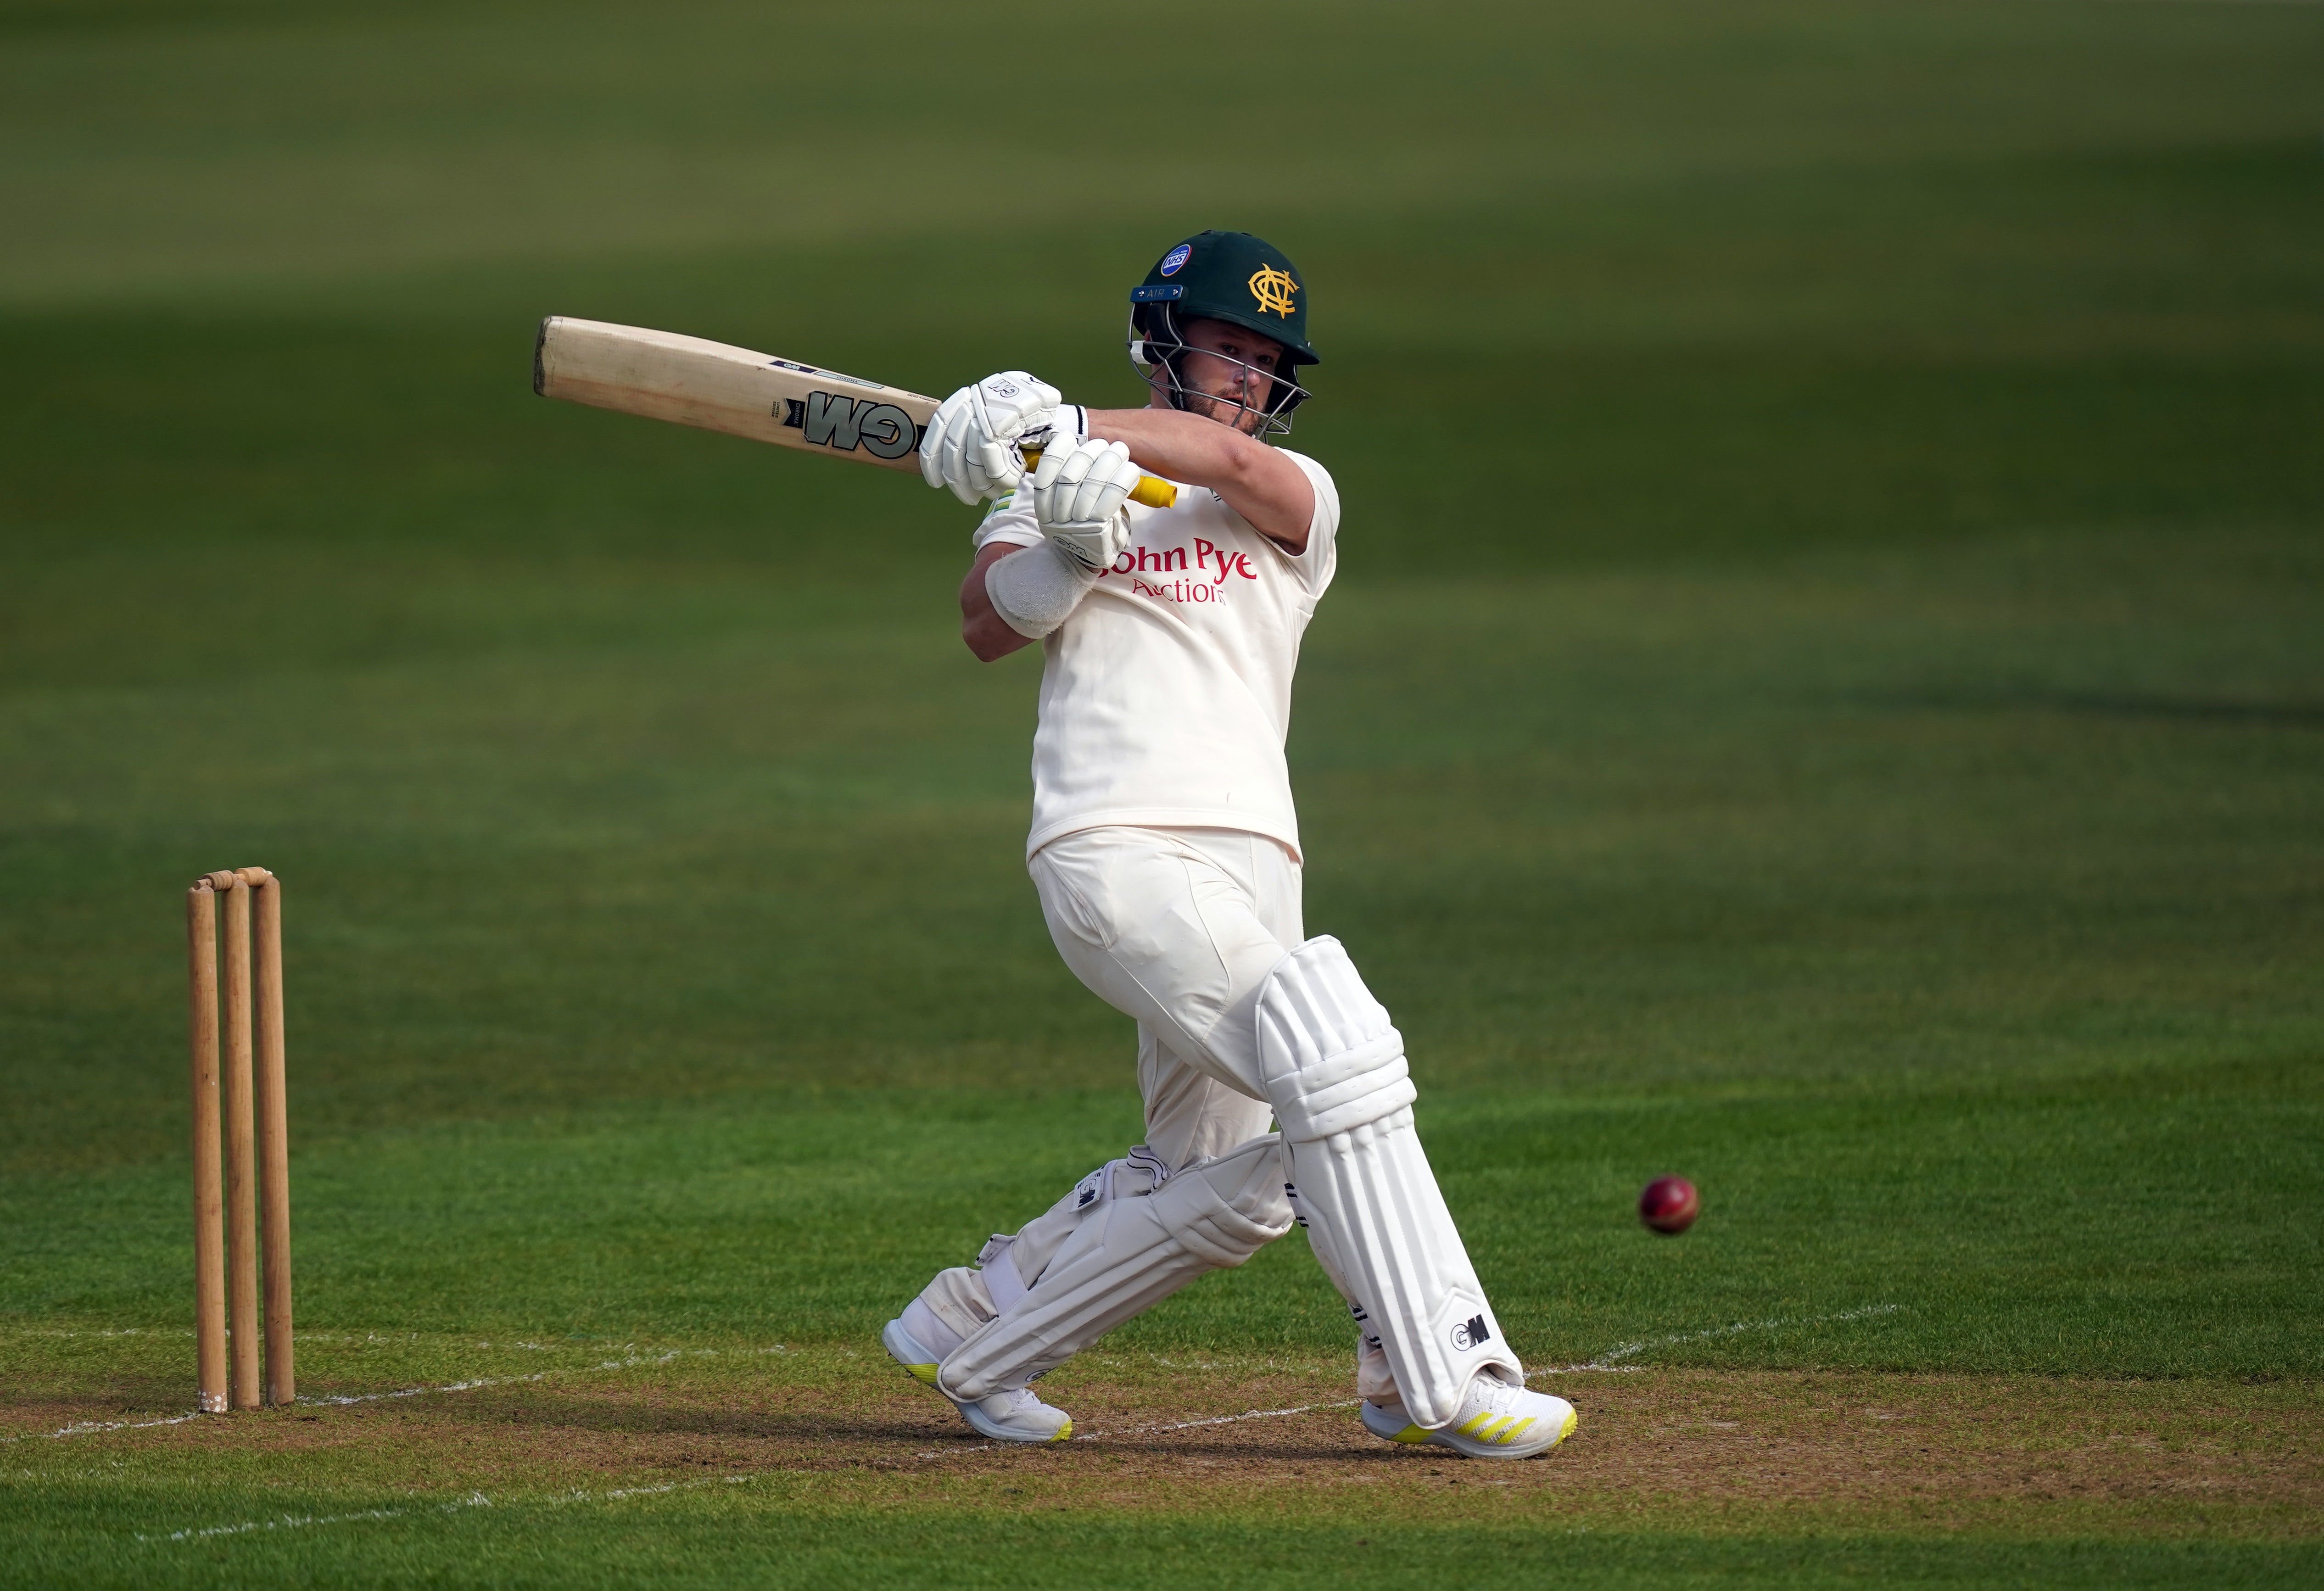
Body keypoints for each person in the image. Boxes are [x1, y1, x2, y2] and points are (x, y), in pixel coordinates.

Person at [883, 231, 1576, 1460]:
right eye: (1229, 347)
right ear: (1168, 340)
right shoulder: (1043, 486)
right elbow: (988, 624)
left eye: (1268, 361)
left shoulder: (1294, 500)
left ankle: (981, 1326)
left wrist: (1056, 425)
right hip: (1115, 843)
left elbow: (1217, 458)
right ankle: (1442, 1370)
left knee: (1226, 1172)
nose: (1248, 377)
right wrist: (1065, 545)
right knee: (1339, 1052)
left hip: (1258, 859)